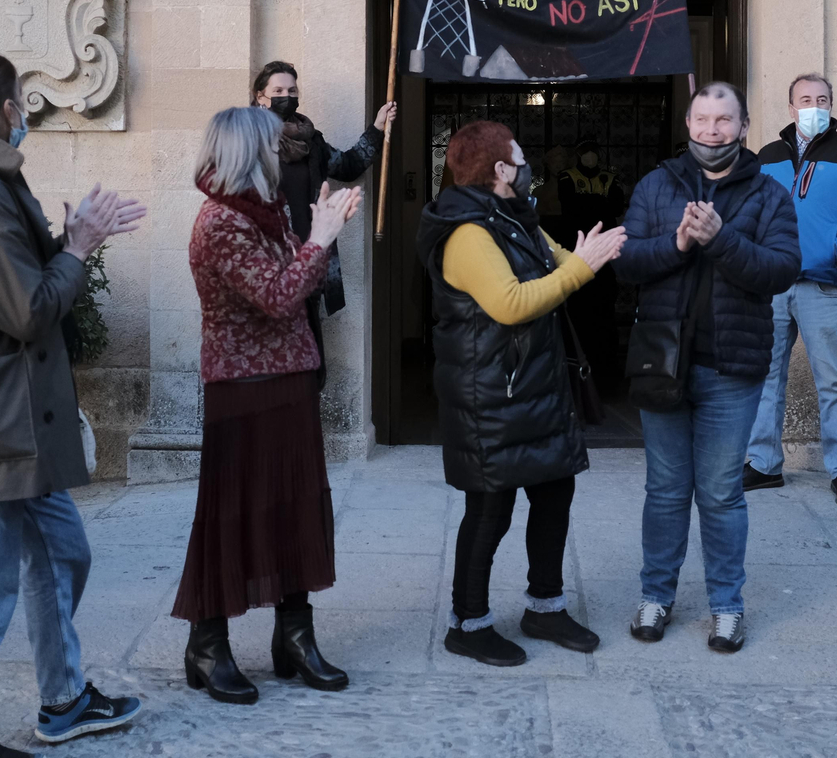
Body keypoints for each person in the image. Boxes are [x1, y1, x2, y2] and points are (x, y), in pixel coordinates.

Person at [0, 53, 145, 758]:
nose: (26, 112)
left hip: (21, 420)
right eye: (21, 100)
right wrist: (76, 249)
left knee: (62, 556)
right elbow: (26, 309)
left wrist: (63, 243)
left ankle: (64, 700)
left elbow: (17, 273)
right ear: (6, 109)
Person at [417, 120, 625, 666]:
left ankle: (545, 607)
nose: (530, 163)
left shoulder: (515, 218)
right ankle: (468, 622)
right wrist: (582, 268)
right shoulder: (466, 233)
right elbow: (510, 303)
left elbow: (560, 260)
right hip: (491, 393)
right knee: (490, 511)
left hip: (535, 385)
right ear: (501, 170)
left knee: (554, 496)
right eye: (522, 156)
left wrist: (583, 257)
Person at [173, 105, 362, 704]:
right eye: (273, 147)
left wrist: (313, 235)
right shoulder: (220, 223)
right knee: (233, 516)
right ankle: (207, 646)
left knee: (293, 508)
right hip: (242, 389)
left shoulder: (270, 210)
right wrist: (322, 239)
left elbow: (298, 290)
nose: (282, 156)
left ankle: (294, 639)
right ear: (247, 152)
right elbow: (280, 297)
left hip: (290, 378)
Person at [616, 83, 800, 652]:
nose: (712, 130)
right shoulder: (657, 185)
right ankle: (656, 596)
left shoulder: (769, 194)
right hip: (663, 363)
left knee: (721, 493)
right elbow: (625, 262)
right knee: (666, 490)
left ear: (744, 126)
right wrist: (674, 244)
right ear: (689, 123)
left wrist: (720, 240)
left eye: (724, 120)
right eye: (702, 119)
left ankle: (727, 606)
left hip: (732, 368)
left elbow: (781, 270)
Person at [745, 73, 837, 509]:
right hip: (770, 285)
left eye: (822, 99)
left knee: (833, 381)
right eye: (805, 99)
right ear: (790, 108)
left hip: (823, 286)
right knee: (765, 377)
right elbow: (746, 209)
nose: (814, 105)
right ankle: (764, 464)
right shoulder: (766, 156)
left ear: (831, 104)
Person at [251, 61, 395, 387]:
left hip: (311, 261)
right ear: (261, 97)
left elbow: (348, 164)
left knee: (309, 366)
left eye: (292, 90)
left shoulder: (312, 142)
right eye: (278, 91)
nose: (286, 96)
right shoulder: (248, 143)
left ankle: (303, 430)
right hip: (267, 268)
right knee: (272, 366)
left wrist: (377, 127)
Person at [559, 138, 628, 364]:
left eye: (593, 151)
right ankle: (579, 359)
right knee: (579, 306)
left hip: (605, 251)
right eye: (585, 151)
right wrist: (600, 203)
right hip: (576, 248)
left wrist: (587, 203)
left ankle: (604, 363)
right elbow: (569, 207)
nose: (590, 155)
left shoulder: (609, 177)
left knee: (604, 306)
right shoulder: (567, 176)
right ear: (578, 154)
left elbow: (617, 206)